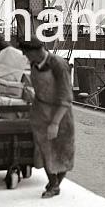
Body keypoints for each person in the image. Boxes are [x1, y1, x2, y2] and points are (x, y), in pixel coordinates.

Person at [19, 39, 74, 198]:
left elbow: (66, 96)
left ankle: (56, 182)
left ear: (36, 51)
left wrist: (55, 123)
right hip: (40, 111)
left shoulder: (58, 64)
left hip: (60, 113)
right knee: (45, 150)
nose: (25, 57)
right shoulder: (34, 64)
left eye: (26, 53)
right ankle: (54, 184)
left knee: (64, 151)